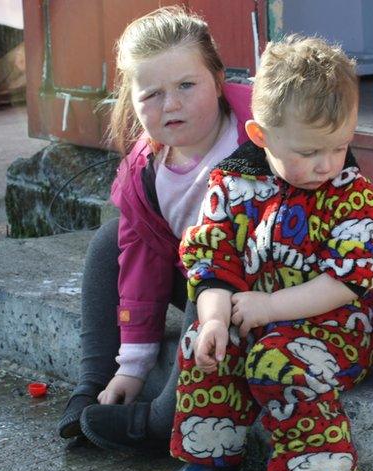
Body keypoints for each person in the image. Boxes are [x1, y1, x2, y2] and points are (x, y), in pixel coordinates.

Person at [151, 36, 373, 471]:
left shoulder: (350, 195)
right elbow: (213, 260)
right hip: (255, 317)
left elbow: (348, 279)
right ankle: (214, 457)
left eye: (340, 145)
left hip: (333, 328)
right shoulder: (234, 184)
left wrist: (269, 307)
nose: (327, 163)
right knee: (204, 341)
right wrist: (215, 315)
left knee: (278, 359)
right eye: (309, 150)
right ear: (261, 136)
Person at [56, 6, 253, 447]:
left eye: (187, 84)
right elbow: (142, 266)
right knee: (113, 241)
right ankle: (94, 384)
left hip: (258, 288)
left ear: (219, 80)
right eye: (152, 94)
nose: (172, 104)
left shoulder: (261, 134)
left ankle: (160, 423)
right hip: (198, 278)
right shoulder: (146, 170)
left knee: (208, 274)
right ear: (132, 99)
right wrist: (134, 363)